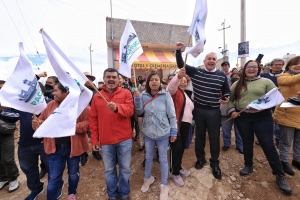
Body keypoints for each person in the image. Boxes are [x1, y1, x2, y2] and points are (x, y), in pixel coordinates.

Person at [227, 60, 292, 195]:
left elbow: (275, 98)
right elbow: (230, 100)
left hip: (262, 118)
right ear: (244, 69)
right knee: (247, 142)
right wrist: (232, 110)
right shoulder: (236, 84)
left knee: (268, 145)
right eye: (248, 67)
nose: (251, 69)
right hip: (242, 117)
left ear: (258, 69)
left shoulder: (266, 82)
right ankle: (248, 165)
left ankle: (279, 174)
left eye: (254, 67)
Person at [176, 42, 230, 180]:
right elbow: (181, 65)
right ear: (204, 61)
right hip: (199, 109)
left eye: (213, 59)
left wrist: (226, 97)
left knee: (214, 138)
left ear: (216, 62)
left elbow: (226, 90)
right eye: (209, 59)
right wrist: (178, 50)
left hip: (214, 111)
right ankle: (201, 159)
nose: (211, 61)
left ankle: (214, 163)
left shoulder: (221, 75)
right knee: (199, 136)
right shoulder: (196, 72)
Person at [32, 82, 90, 200]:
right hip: (55, 149)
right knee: (53, 178)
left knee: (73, 174)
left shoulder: (81, 106)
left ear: (66, 92)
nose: (53, 93)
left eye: (55, 90)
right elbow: (40, 122)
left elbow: (87, 124)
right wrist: (36, 123)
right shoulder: (49, 105)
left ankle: (71, 194)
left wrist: (70, 126)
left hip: (73, 147)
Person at [89, 68, 134, 200]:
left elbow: (130, 111)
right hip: (106, 141)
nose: (111, 79)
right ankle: (112, 195)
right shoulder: (97, 96)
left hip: (124, 139)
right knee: (109, 171)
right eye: (108, 77)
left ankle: (124, 194)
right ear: (104, 79)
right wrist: (94, 140)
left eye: (114, 77)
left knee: (125, 169)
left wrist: (118, 108)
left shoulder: (125, 93)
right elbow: (93, 120)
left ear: (118, 79)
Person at [134, 71, 177, 200]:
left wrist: (173, 131)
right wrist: (137, 99)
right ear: (148, 82)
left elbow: (172, 114)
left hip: (163, 132)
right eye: (151, 80)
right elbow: (140, 112)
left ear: (160, 82)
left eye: (156, 80)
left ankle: (164, 185)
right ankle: (148, 178)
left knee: (163, 159)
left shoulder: (166, 95)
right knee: (148, 157)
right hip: (148, 132)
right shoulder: (143, 95)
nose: (154, 82)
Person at [166, 68, 194, 187]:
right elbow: (170, 87)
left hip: (186, 126)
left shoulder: (185, 94)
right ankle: (174, 172)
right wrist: (178, 76)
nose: (183, 82)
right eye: (181, 80)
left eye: (185, 81)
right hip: (176, 125)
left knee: (182, 148)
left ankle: (178, 166)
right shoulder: (174, 92)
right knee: (176, 149)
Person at [273, 56, 300, 176]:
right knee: (286, 141)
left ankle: (297, 159)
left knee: (299, 141)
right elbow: (291, 81)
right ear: (289, 66)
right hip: (286, 114)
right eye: (296, 64)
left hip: (299, 115)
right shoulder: (283, 76)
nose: (298, 65)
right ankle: (283, 161)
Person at [0, 80, 20, 193]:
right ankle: (3, 178)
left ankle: (13, 179)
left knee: (7, 158)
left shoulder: (12, 100)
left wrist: (1, 110)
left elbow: (16, 115)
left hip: (6, 132)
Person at [260, 58, 285, 146]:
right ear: (271, 66)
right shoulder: (264, 75)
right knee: (264, 120)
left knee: (278, 121)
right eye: (276, 64)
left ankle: (278, 139)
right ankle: (263, 138)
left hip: (280, 102)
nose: (278, 66)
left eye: (280, 65)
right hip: (266, 102)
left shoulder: (285, 76)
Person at [82, 72, 102, 165]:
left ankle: (95, 151)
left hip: (94, 116)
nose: (87, 80)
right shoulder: (79, 91)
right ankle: (84, 153)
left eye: (89, 78)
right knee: (83, 135)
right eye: (85, 78)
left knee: (95, 133)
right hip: (82, 117)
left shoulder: (96, 91)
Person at [137, 80, 146, 151]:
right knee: (141, 130)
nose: (144, 87)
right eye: (143, 85)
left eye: (146, 85)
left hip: (148, 115)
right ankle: (141, 143)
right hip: (141, 115)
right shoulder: (138, 95)